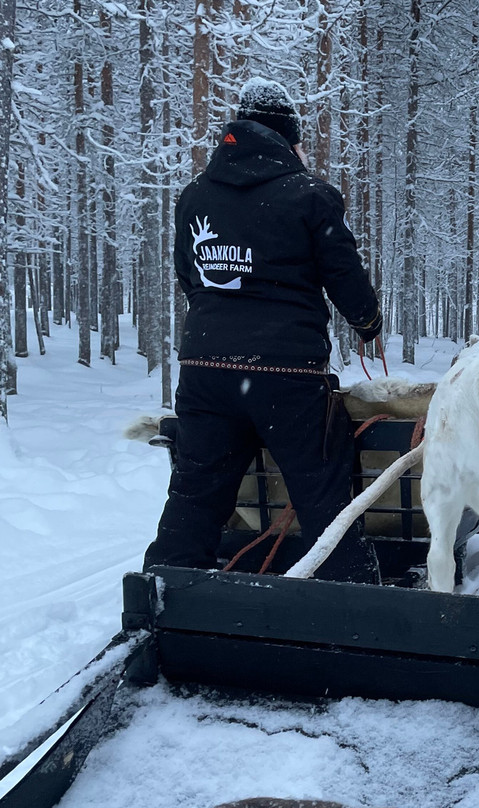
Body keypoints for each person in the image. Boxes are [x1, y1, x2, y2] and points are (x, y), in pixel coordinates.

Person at [143, 78, 383, 582]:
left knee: (196, 490)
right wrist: (367, 322)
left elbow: (189, 275)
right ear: (288, 139)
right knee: (321, 489)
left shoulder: (194, 195)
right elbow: (343, 272)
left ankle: (165, 590)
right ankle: (351, 593)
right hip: (286, 372)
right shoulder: (311, 196)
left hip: (205, 368)